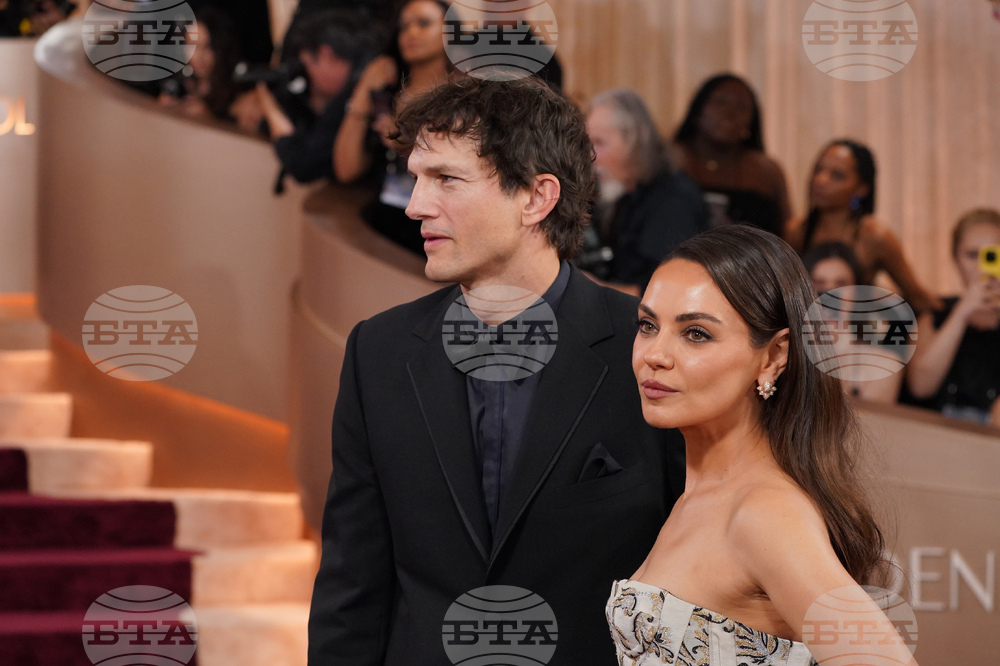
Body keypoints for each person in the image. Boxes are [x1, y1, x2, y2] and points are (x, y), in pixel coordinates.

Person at [308, 76, 684, 665]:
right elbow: (351, 586)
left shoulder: (646, 351)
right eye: (415, 178)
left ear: (536, 198)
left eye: (446, 180)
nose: (414, 205)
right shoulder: (377, 353)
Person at [609, 225, 918, 666]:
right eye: (647, 325)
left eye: (696, 333)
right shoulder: (702, 497)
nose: (654, 354)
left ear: (774, 356)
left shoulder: (764, 513)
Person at [333, 0, 450, 255]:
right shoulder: (387, 95)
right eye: (403, 27)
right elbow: (346, 169)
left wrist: (409, 143)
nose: (411, 33)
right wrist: (365, 88)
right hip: (379, 222)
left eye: (424, 23)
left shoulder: (465, 97)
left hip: (436, 232)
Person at [785, 139, 941, 314]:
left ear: (861, 188)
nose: (821, 180)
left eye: (837, 176)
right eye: (818, 170)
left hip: (858, 335)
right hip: (808, 333)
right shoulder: (795, 231)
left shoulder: (875, 236)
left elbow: (918, 298)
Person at [582, 89, 708, 295]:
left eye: (599, 143)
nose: (591, 156)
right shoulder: (622, 190)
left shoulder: (673, 200)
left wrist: (592, 288)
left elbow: (668, 291)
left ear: (636, 140)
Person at [251, 10, 371, 185]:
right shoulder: (361, 80)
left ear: (326, 54)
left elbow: (303, 166)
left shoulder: (354, 93)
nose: (309, 77)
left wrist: (269, 107)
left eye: (307, 65)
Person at [905, 208, 1000, 426]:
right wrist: (962, 313)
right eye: (972, 255)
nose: (983, 267)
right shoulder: (935, 312)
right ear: (955, 258)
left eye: (993, 256)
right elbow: (921, 385)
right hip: (939, 436)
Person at [673, 73, 791, 237]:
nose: (730, 112)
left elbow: (786, 231)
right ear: (698, 109)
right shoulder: (670, 160)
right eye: (720, 102)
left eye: (741, 107)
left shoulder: (766, 171)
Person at [802, 241, 903, 404]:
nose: (830, 294)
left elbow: (866, 426)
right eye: (819, 284)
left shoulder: (885, 364)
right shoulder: (784, 355)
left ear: (857, 292)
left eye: (841, 284)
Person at [158, 8, 243, 122]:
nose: (198, 55)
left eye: (206, 47)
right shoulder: (181, 83)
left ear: (220, 48)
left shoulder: (235, 94)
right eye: (192, 45)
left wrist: (208, 117)